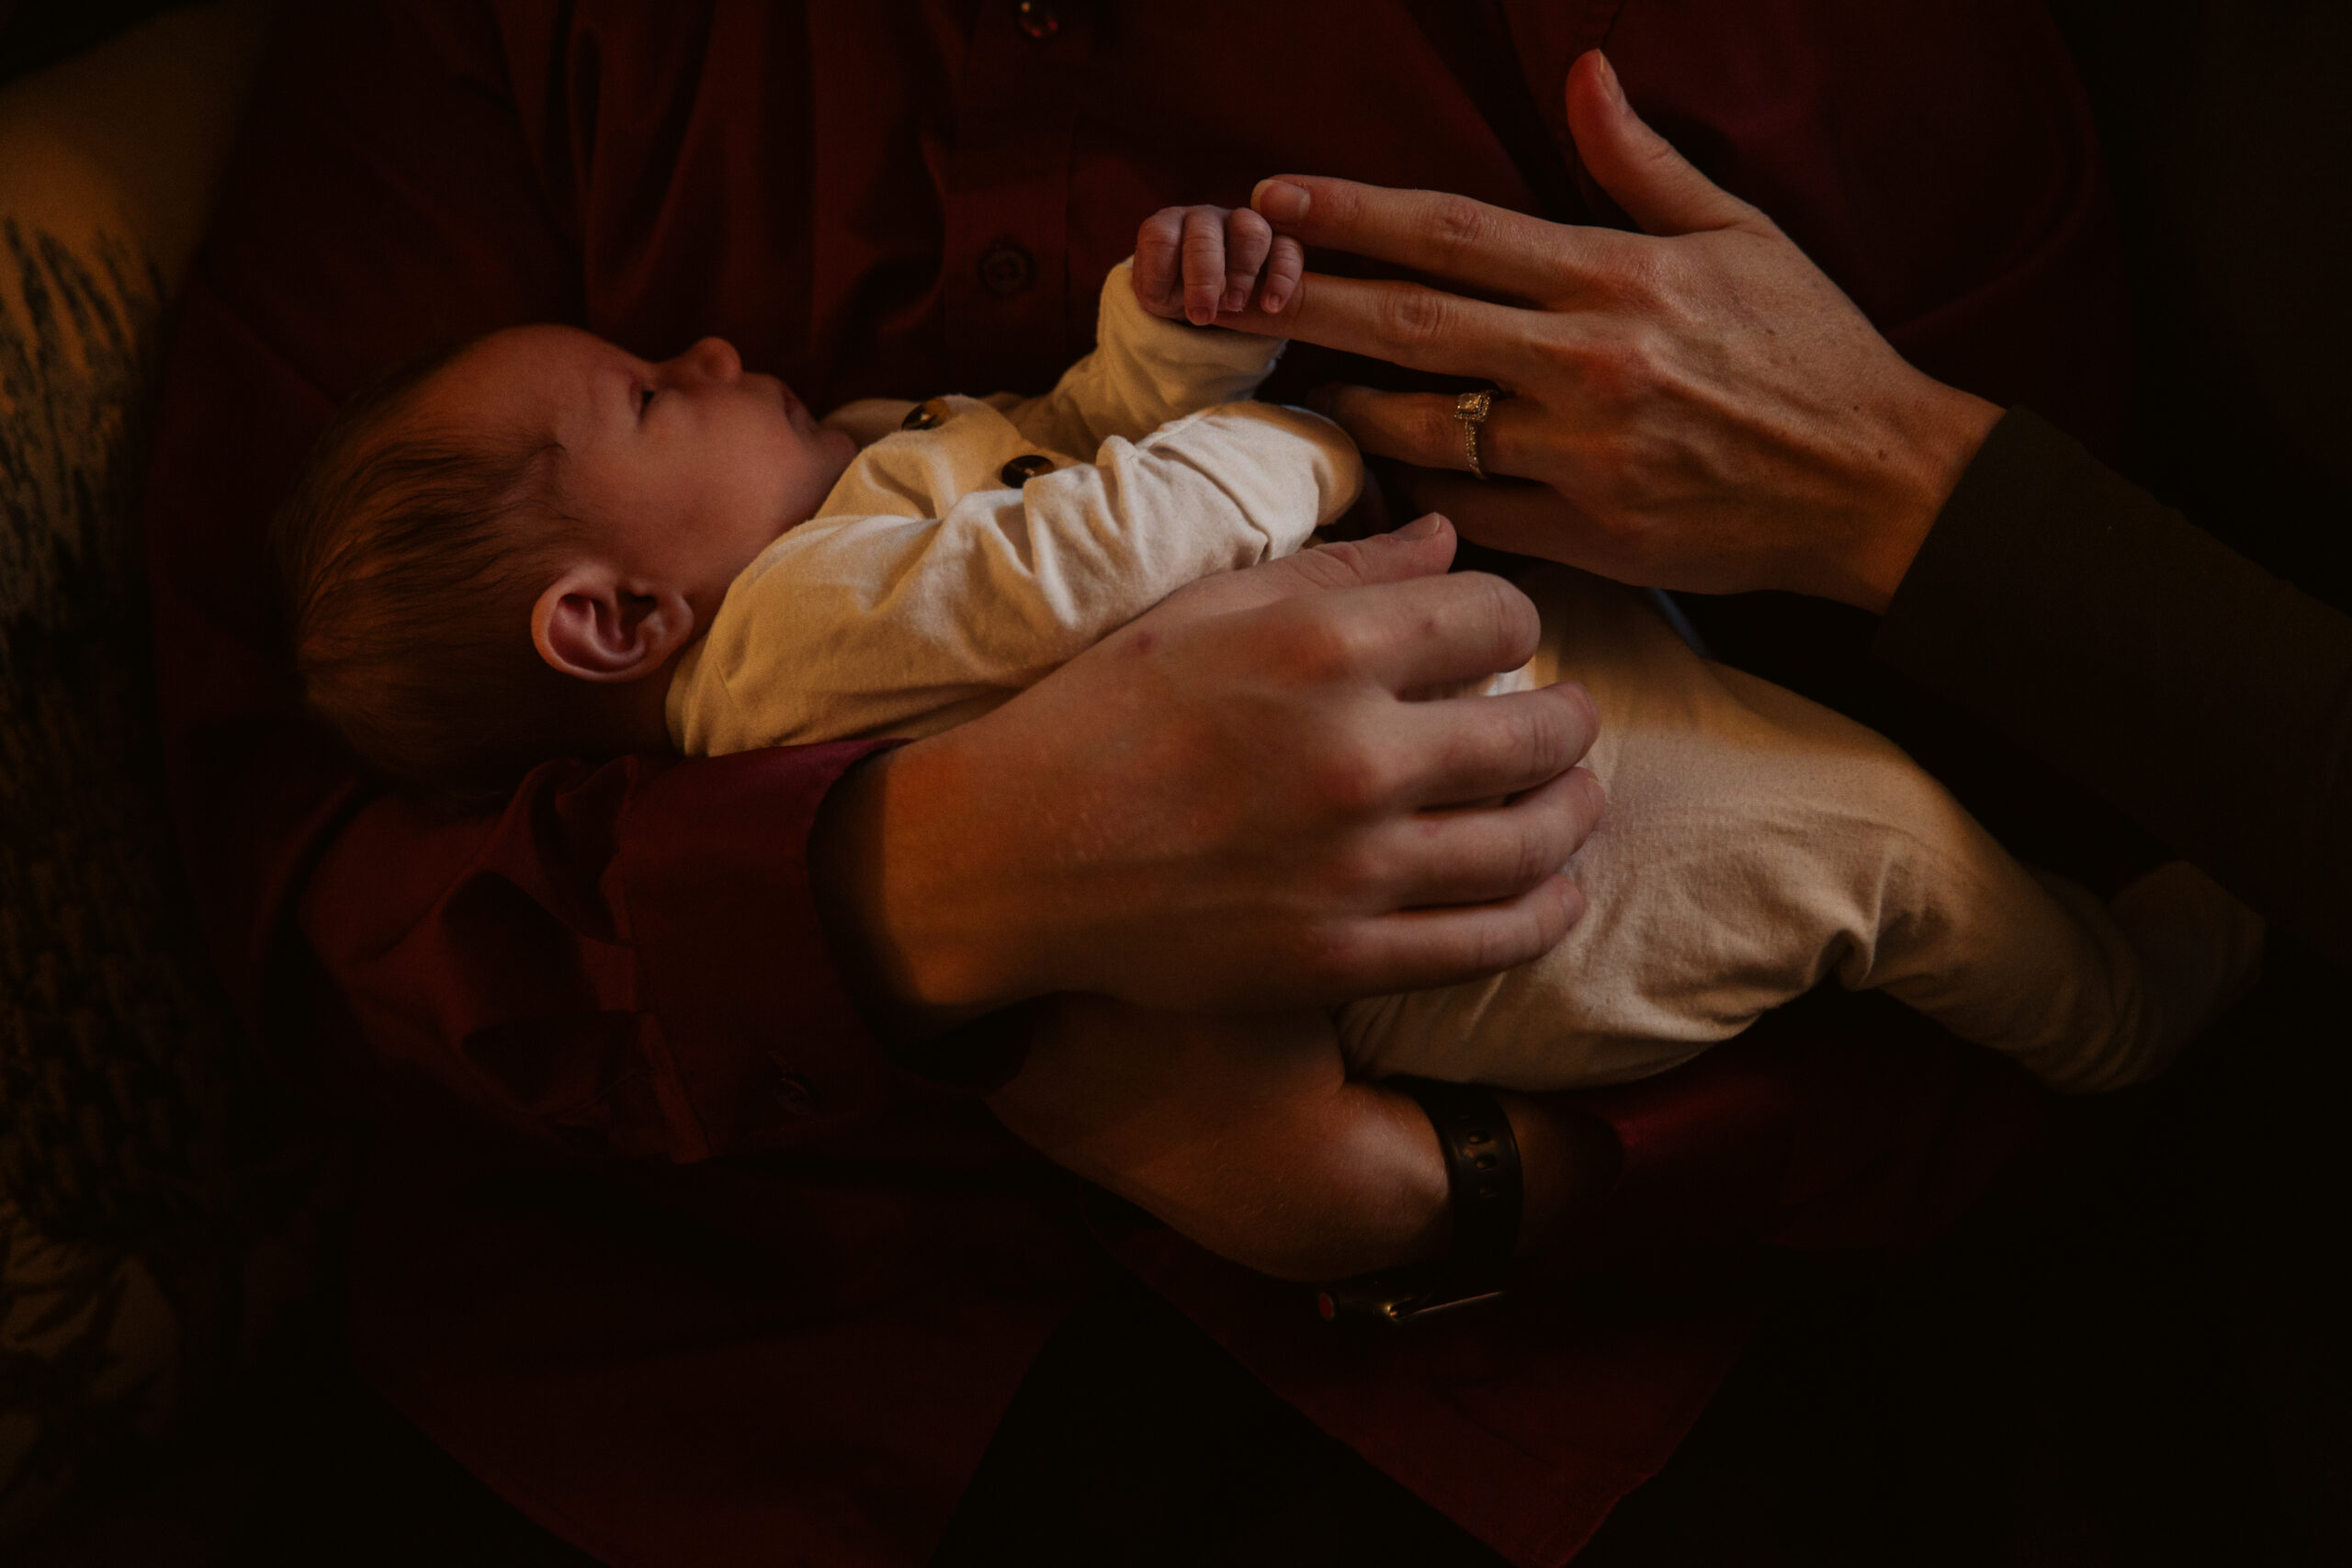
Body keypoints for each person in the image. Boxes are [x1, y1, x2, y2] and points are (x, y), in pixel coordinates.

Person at [143, 3, 2139, 1561]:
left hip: (1516, 1364)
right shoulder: (499, 50)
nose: (719, 350)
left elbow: (2032, 732)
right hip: (675, 1367)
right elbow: (294, 827)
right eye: (660, 385)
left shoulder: (1771, 53)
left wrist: (1425, 1186)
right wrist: (913, 882)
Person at [273, 209, 2252, 1297]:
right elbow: (1081, 559)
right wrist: (1280, 441)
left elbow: (1066, 446)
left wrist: (1170, 336)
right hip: (1508, 869)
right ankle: (2113, 1015)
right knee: (1878, 851)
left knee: (1843, 815)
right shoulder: (793, 643)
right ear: (614, 624)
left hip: (1472, 721)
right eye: (645, 395)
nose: (702, 350)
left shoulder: (851, 503)